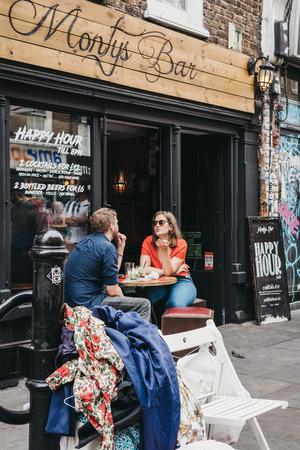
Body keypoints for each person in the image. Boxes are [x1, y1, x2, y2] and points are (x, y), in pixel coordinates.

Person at [64, 207, 151, 322]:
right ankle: (141, 338)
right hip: (89, 303)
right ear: (112, 227)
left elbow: (111, 275)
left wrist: (120, 249)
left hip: (73, 302)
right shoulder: (107, 247)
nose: (118, 226)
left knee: (125, 300)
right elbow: (112, 290)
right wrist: (126, 303)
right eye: (117, 223)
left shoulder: (85, 242)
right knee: (144, 304)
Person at [140, 211, 197, 310]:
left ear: (170, 226)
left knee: (175, 304)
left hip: (181, 280)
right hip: (157, 281)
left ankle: (168, 325)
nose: (157, 225)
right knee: (145, 300)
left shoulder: (181, 243)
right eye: (155, 223)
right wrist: (172, 272)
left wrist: (164, 251)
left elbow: (168, 271)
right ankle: (150, 326)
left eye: (161, 222)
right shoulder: (148, 241)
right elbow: (144, 269)